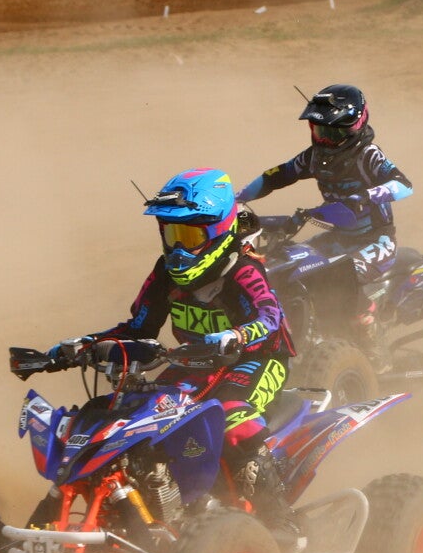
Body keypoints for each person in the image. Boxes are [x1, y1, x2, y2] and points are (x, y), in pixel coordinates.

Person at [47, 168, 297, 527]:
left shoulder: (241, 269)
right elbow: (137, 329)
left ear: (218, 230)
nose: (178, 248)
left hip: (258, 359)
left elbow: (270, 316)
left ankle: (282, 525)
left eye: (189, 235)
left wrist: (238, 336)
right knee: (137, 418)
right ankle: (157, 508)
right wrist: (84, 346)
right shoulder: (165, 272)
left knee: (232, 418)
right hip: (194, 363)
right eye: (171, 234)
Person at [237, 85, 414, 338]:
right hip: (337, 238)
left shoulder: (367, 155)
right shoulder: (313, 157)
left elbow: (404, 184)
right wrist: (236, 199)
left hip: (376, 240)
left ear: (355, 126)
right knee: (287, 265)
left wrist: (366, 196)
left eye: (333, 132)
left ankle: (370, 336)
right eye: (321, 131)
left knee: (342, 275)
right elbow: (275, 177)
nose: (326, 140)